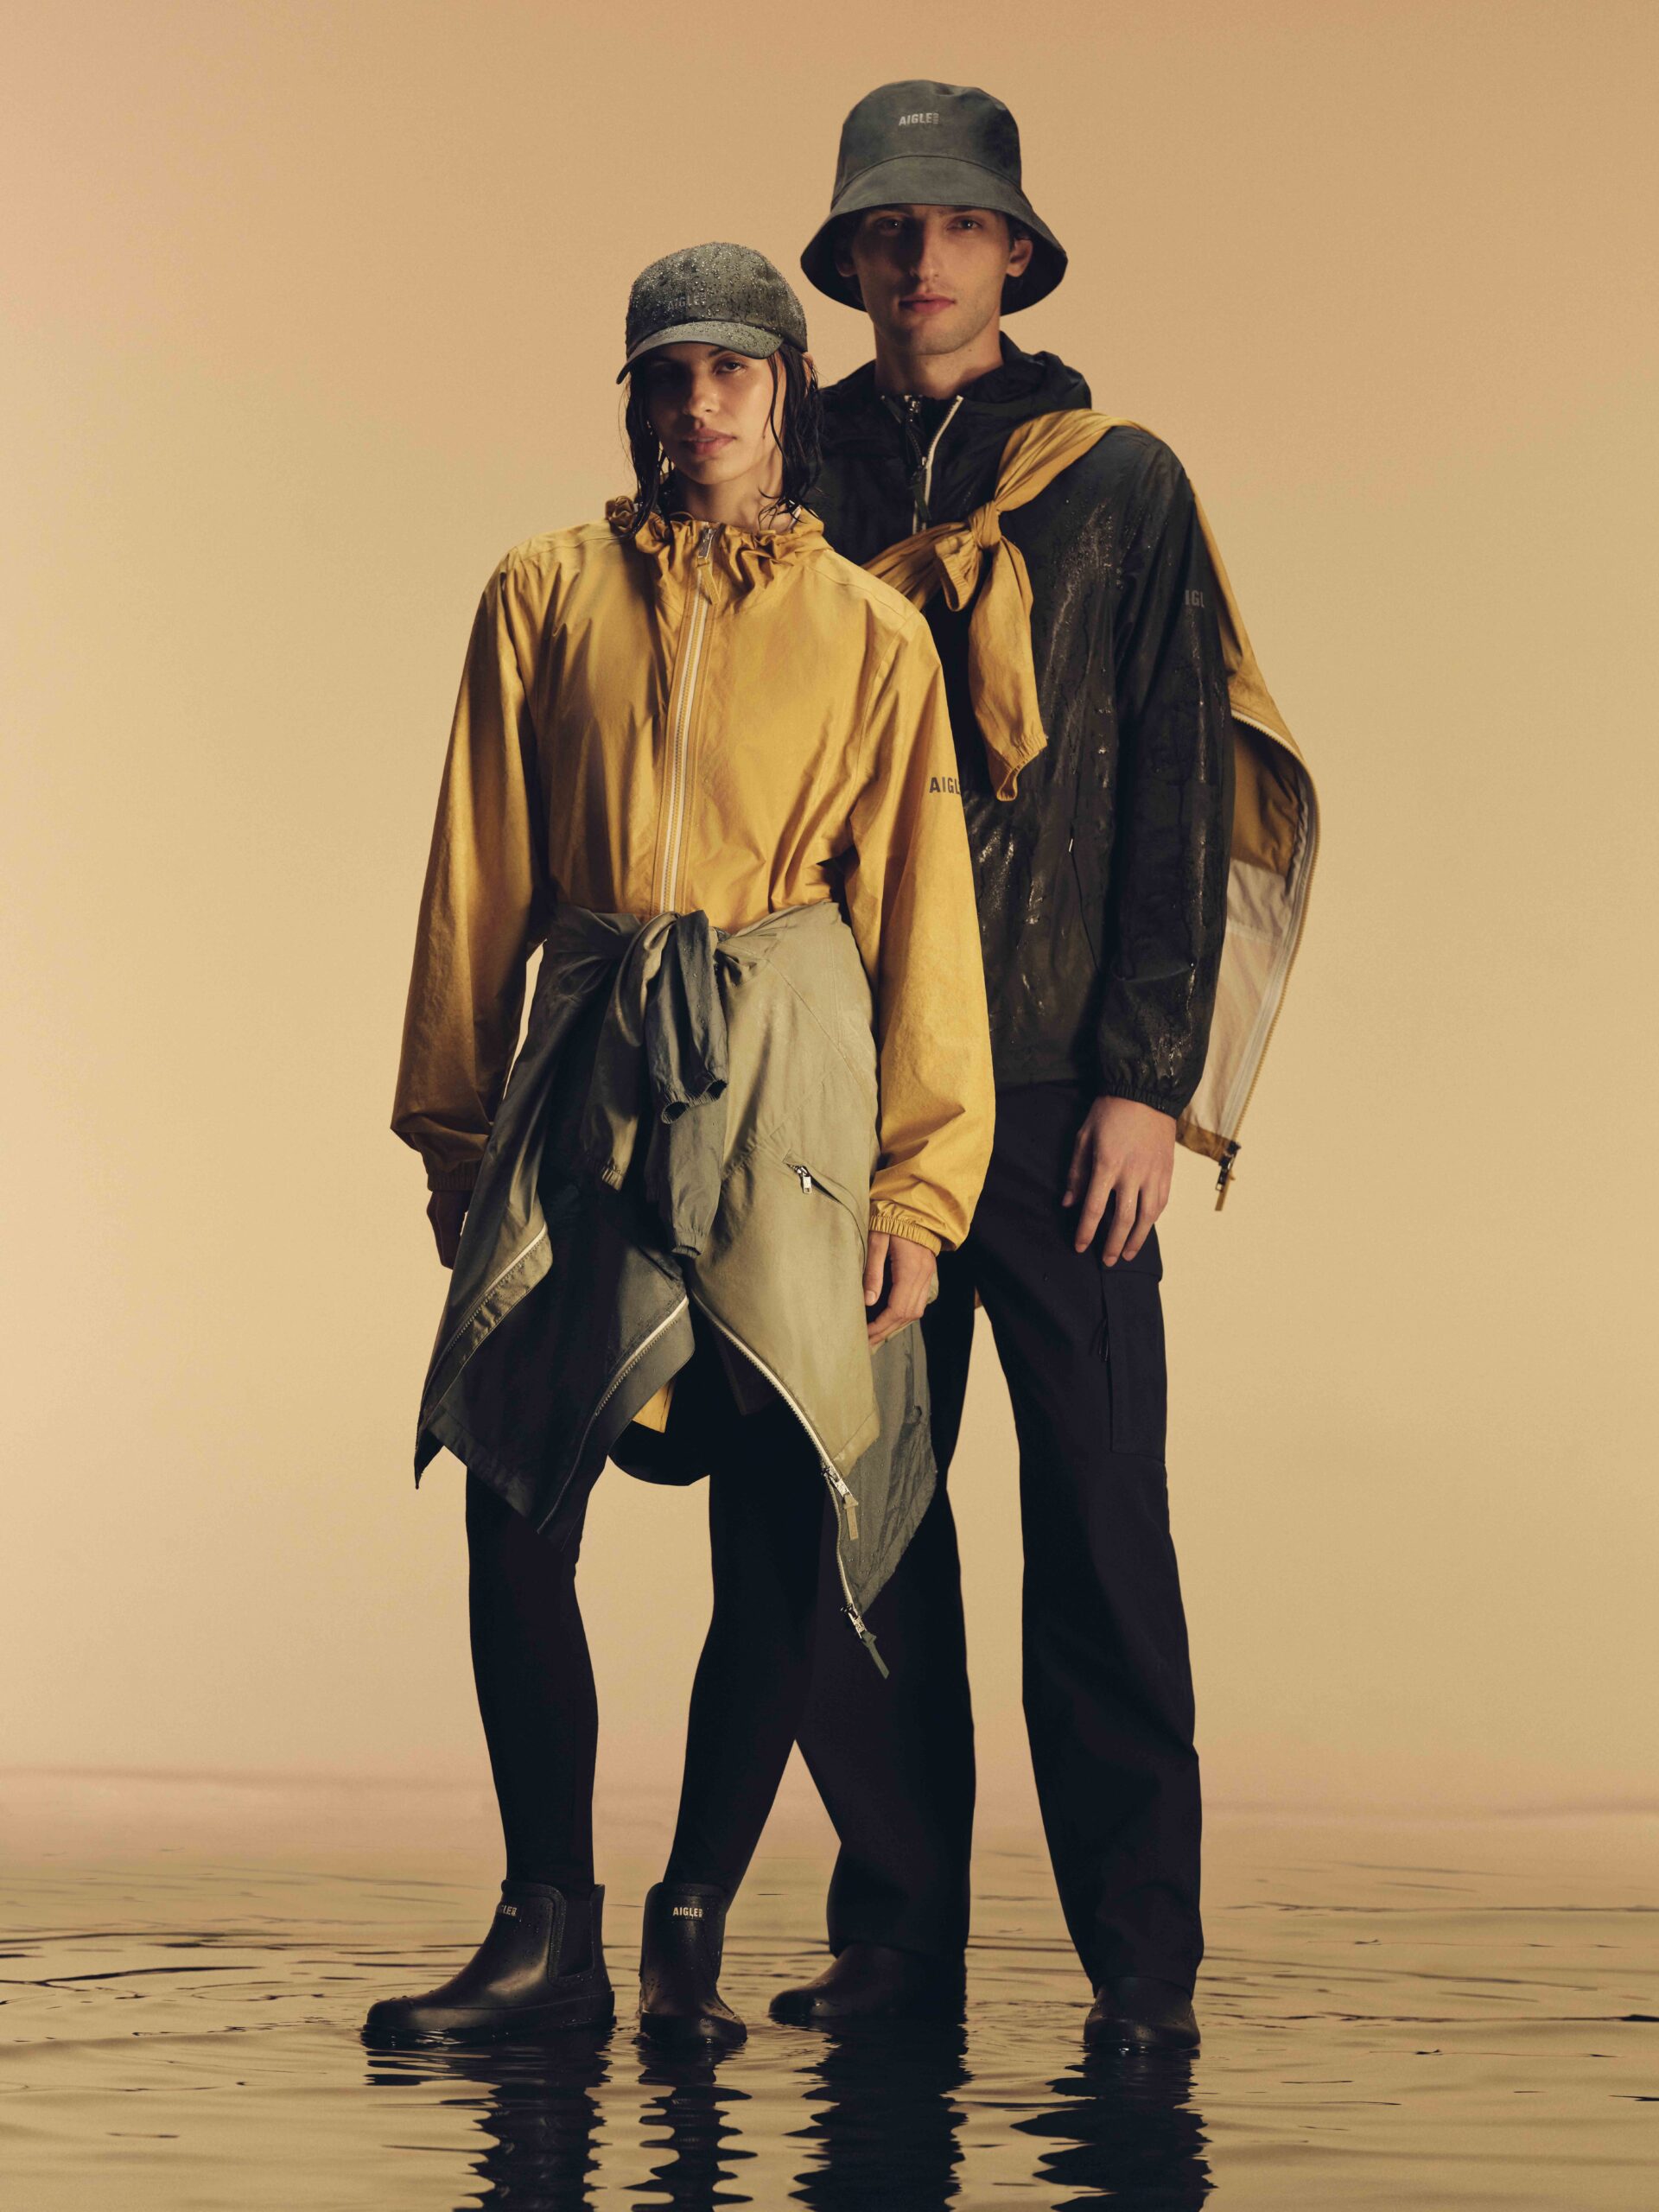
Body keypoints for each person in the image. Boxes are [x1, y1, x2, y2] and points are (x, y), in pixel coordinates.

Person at [365, 243, 993, 2050]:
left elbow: (924, 915)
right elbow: (476, 867)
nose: (699, 403)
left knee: (783, 1490)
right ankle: (542, 1925)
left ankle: (691, 1926)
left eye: (733, 370)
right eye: (667, 373)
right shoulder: (540, 592)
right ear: (635, 399)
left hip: (790, 1059)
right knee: (512, 1480)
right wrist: (456, 1128)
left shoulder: (871, 631)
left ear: (788, 391)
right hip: (590, 1050)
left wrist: (922, 1185)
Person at [770, 81, 1319, 2052]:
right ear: (850, 260)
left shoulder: (1123, 485)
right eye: (886, 229)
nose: (919, 259)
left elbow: (1178, 780)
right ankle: (897, 1940)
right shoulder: (785, 472)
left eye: (954, 224)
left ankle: (1143, 1971)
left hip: (1067, 1088)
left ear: (1014, 249)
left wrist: (1149, 1080)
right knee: (862, 1532)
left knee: (1099, 1528)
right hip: (844, 1096)